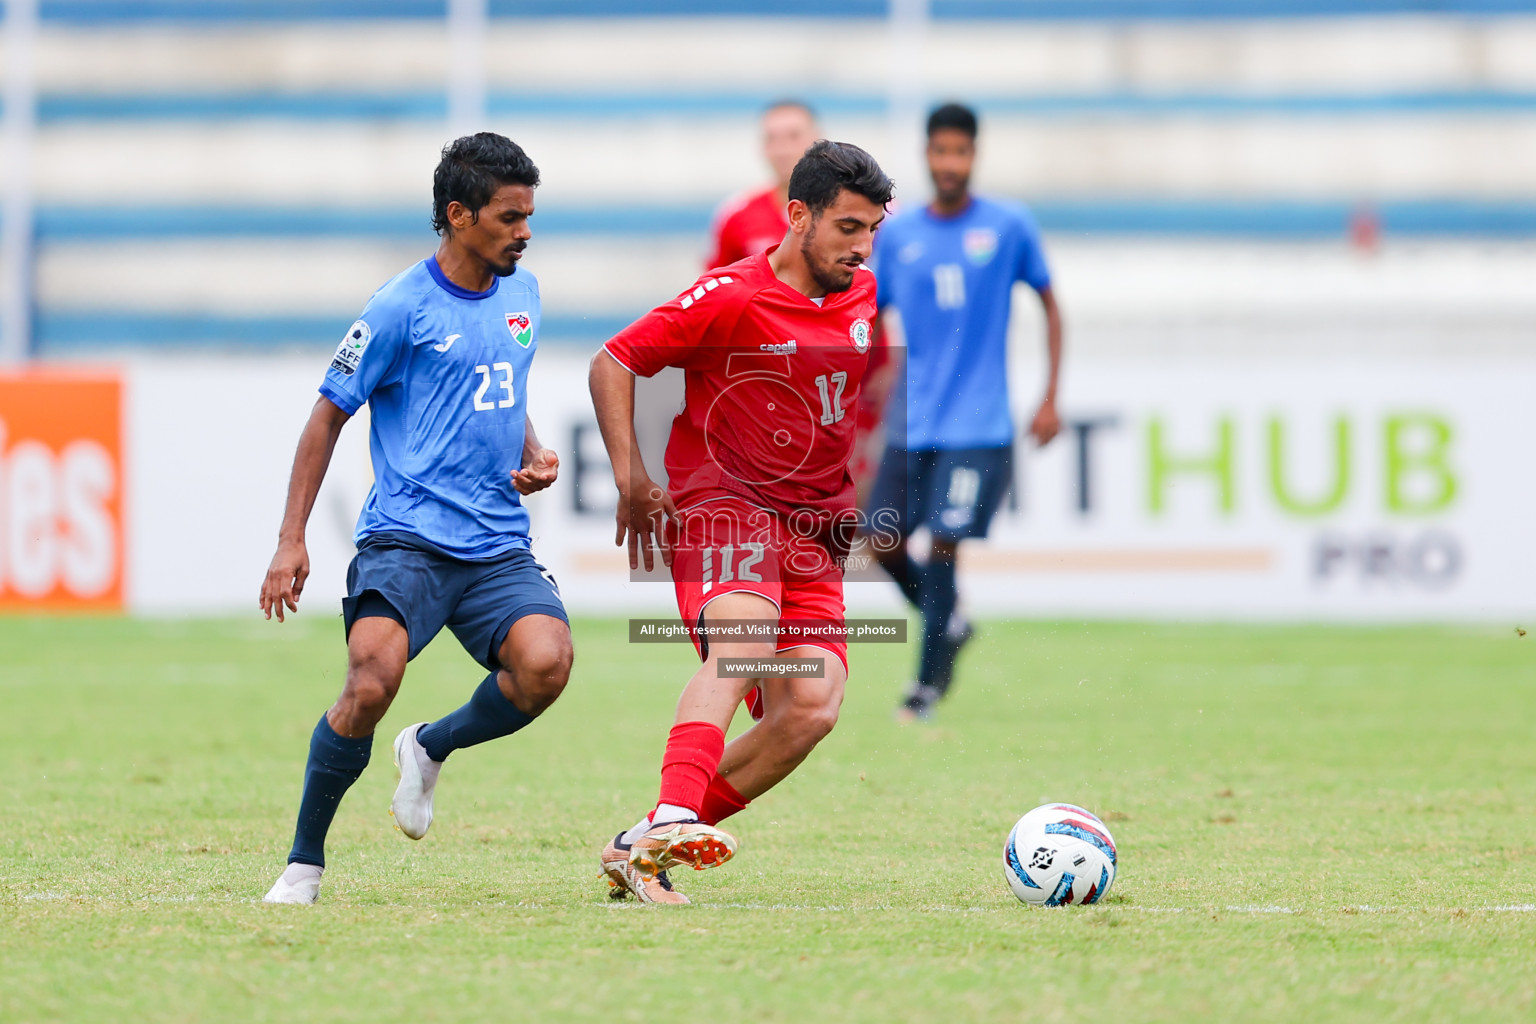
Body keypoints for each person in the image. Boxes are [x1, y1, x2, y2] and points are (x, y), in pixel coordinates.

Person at [258, 133, 573, 905]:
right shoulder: (398, 307)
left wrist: (530, 448)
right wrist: (291, 537)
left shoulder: (523, 294)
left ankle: (430, 748)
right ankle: (303, 866)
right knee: (370, 683)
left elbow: (499, 381)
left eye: (530, 215)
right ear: (458, 216)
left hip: (497, 543)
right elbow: (326, 417)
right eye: (508, 217)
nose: (524, 231)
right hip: (407, 539)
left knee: (546, 665)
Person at [588, 140, 893, 904]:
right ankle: (669, 819)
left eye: (872, 232)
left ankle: (643, 843)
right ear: (799, 216)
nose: (861, 248)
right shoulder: (729, 294)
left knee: (811, 707)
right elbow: (615, 361)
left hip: (813, 533)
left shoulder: (863, 297)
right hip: (725, 507)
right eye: (849, 228)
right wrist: (632, 478)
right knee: (743, 646)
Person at [867, 102, 1064, 721]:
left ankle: (925, 687)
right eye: (940, 151)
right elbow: (868, 316)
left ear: (973, 155)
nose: (949, 162)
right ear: (927, 156)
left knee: (945, 544)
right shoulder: (896, 235)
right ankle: (946, 620)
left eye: (960, 151)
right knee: (880, 539)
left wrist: (1050, 395)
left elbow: (1051, 303)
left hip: (979, 426)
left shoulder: (1008, 226)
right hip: (910, 419)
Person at [704, 100, 820, 270]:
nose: (782, 149)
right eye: (771, 139)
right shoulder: (736, 212)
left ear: (817, 140)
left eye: (794, 136)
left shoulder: (848, 210)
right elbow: (715, 284)